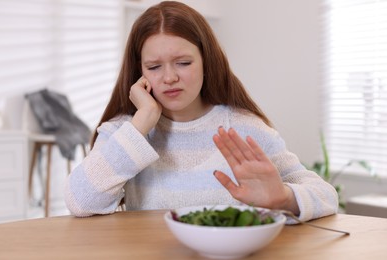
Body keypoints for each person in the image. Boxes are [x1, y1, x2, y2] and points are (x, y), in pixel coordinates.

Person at [64, 1, 338, 223]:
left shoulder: (245, 128)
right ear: (140, 72)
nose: (169, 77)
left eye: (183, 62)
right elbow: (80, 202)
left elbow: (325, 195)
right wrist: (140, 124)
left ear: (207, 60)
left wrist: (285, 198)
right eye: (154, 67)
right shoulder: (125, 131)